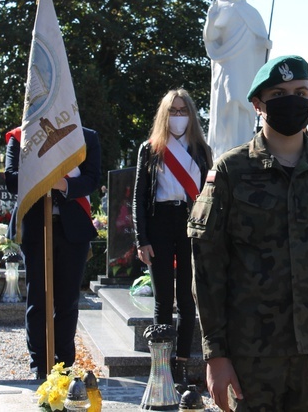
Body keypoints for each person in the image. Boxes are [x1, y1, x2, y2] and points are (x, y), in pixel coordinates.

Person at [189, 55, 308, 411]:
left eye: (301, 91)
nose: (293, 99)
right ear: (258, 105)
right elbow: (208, 267)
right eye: (279, 93)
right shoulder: (231, 172)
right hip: (250, 359)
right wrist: (215, 355)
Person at [5, 125, 101, 378]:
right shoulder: (20, 137)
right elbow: (12, 179)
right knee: (38, 298)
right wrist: (42, 177)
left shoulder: (86, 137)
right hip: (36, 228)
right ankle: (39, 365)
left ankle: (64, 365)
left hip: (73, 230)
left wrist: (60, 183)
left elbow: (92, 178)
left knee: (68, 300)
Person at [133, 89, 212, 392]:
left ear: (191, 114)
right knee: (164, 300)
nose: (178, 117)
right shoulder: (150, 149)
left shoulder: (201, 150)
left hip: (190, 224)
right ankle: (161, 366)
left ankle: (181, 365)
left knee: (188, 299)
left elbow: (209, 197)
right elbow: (139, 197)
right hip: (159, 225)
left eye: (183, 111)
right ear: (164, 115)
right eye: (173, 111)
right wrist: (142, 239)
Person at [203, 0, 272, 159]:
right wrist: (210, 20)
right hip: (227, 65)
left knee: (244, 105)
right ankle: (226, 149)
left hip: (246, 68)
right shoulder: (221, 8)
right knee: (230, 99)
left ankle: (241, 146)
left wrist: (264, 44)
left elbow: (258, 42)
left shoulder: (251, 12)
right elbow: (213, 37)